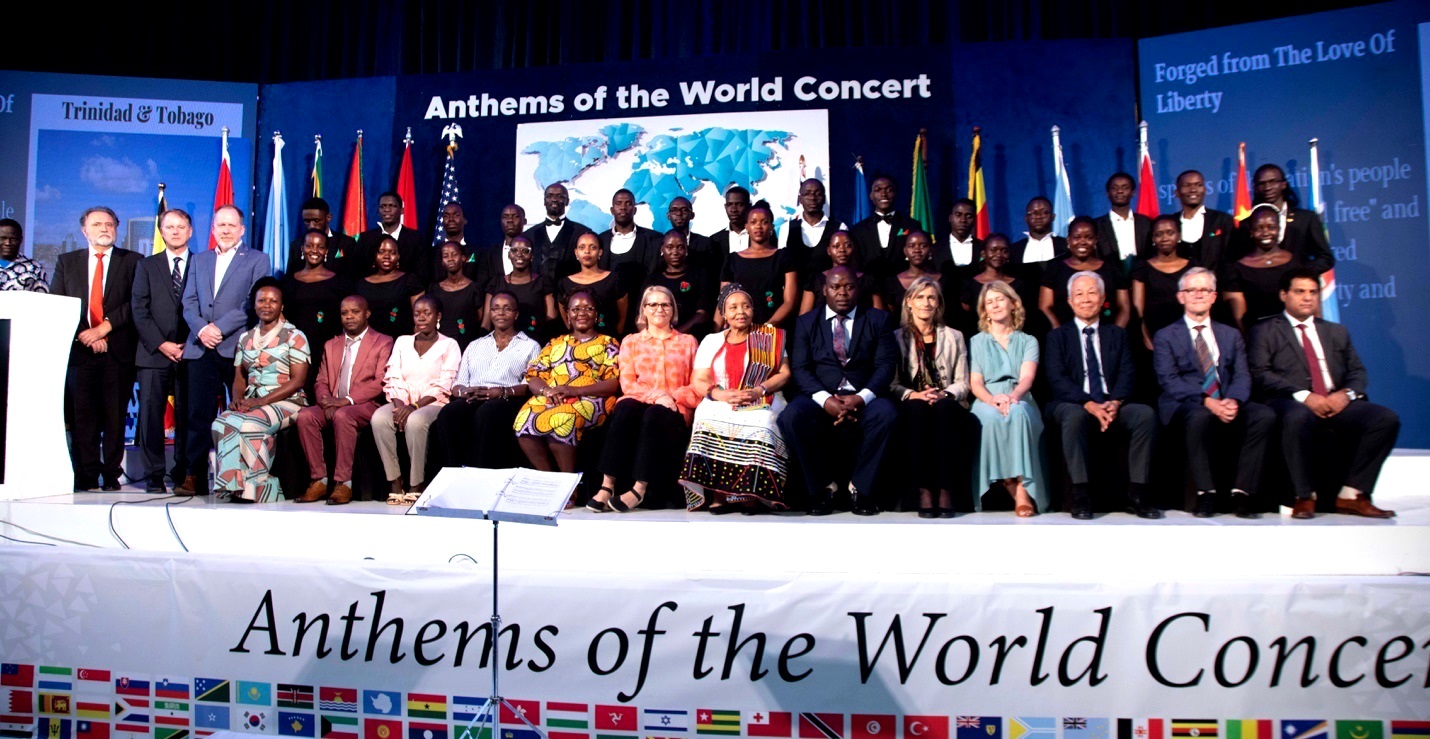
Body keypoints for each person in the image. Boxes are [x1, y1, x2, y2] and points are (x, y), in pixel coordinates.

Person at [1249, 268, 1399, 520]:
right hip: (1290, 400)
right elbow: (1261, 372)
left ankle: (1352, 494)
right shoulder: (1265, 330)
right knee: (1297, 418)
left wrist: (1346, 395)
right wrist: (1305, 396)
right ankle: (1304, 496)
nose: (1307, 298)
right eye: (1300, 292)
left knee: (1385, 419)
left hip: (1335, 400)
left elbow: (1358, 372)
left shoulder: (1336, 331)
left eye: (1312, 292)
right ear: (1284, 295)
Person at [1154, 267, 1274, 518]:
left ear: (1213, 296)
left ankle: (1241, 492)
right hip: (1185, 403)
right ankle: (1205, 493)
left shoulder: (1230, 335)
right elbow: (1169, 380)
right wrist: (1208, 402)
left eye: (1204, 290)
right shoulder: (1165, 335)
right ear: (1181, 297)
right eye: (1191, 290)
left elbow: (1242, 374)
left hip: (1226, 398)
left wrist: (1233, 400)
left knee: (1263, 415)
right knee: (1200, 416)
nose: (1198, 294)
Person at [779, 266, 899, 516]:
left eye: (849, 286)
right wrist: (826, 401)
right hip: (820, 396)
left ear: (858, 288)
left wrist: (861, 397)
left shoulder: (879, 319)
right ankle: (823, 488)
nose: (842, 292)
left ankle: (861, 488)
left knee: (887, 413)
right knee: (791, 416)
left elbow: (885, 366)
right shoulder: (806, 322)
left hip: (864, 395)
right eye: (835, 287)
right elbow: (800, 369)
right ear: (825, 290)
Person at [1043, 271, 1159, 519]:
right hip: (1072, 402)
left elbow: (1128, 372)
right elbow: (1057, 379)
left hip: (1111, 401)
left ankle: (1137, 492)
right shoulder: (1057, 337)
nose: (1086, 299)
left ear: (1103, 298)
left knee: (1144, 415)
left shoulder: (1117, 334)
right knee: (1073, 417)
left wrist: (1115, 403)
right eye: (1079, 294)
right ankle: (1081, 493)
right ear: (1070, 300)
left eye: (1092, 292)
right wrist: (1089, 404)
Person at [178, 205, 270, 495]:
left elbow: (251, 302)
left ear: (242, 229)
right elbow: (188, 301)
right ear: (213, 229)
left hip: (235, 348)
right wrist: (202, 329)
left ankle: (241, 479)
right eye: (221, 225)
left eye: (232, 225)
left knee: (240, 413)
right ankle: (193, 475)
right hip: (200, 347)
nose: (226, 230)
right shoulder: (200, 260)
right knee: (197, 414)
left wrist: (219, 328)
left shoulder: (258, 259)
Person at [680, 285, 793, 513]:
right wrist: (720, 394)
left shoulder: (769, 337)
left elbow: (785, 373)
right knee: (705, 416)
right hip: (721, 397)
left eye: (746, 306)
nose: (740, 311)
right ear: (723, 313)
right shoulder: (711, 341)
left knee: (761, 422)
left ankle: (751, 494)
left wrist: (759, 390)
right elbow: (699, 379)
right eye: (733, 307)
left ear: (753, 309)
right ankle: (719, 493)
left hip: (762, 397)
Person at [53, 206, 142, 491]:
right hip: (80, 353)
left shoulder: (133, 261)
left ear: (116, 228)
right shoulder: (67, 262)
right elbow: (59, 302)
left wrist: (104, 328)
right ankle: (87, 475)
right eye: (97, 224)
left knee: (115, 418)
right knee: (83, 417)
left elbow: (134, 303)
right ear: (84, 230)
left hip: (118, 352)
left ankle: (112, 475)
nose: (104, 228)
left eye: (109, 224)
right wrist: (87, 335)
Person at [591, 286, 700, 512]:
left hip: (674, 407)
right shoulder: (631, 341)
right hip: (640, 402)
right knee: (626, 408)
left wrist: (670, 396)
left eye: (665, 304)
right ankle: (607, 485)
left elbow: (697, 384)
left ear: (673, 309)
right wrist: (657, 395)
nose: (659, 309)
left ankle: (639, 489)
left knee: (655, 414)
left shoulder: (688, 342)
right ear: (644, 310)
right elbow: (628, 383)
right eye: (653, 304)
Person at [210, 282, 309, 503]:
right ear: (254, 305)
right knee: (221, 422)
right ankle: (234, 486)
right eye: (261, 300)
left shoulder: (295, 336)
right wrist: (237, 399)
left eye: (273, 301)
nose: (267, 305)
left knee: (249, 424)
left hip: (288, 401)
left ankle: (261, 488)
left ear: (282, 305)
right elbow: (239, 377)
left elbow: (298, 380)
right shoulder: (245, 338)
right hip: (253, 401)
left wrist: (262, 401)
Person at [294, 294, 395, 505]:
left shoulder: (383, 341)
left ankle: (343, 484)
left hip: (365, 405)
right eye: (344, 313)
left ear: (367, 314)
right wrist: (326, 401)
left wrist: (346, 401)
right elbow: (320, 380)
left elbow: (380, 382)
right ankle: (319, 480)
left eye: (355, 312)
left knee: (342, 416)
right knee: (304, 416)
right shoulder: (332, 344)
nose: (349, 317)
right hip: (332, 403)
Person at [890, 276, 974, 518]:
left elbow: (963, 382)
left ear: (938, 304)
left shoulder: (954, 336)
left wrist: (945, 393)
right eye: (920, 297)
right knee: (917, 411)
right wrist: (914, 394)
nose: (926, 303)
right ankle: (925, 489)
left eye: (931, 298)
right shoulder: (897, 337)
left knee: (944, 410)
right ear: (909, 303)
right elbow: (892, 384)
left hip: (946, 399)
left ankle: (946, 489)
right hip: (913, 401)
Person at [514, 291, 622, 479]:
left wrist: (574, 390)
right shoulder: (555, 343)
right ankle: (549, 480)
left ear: (596, 315)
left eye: (589, 309)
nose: (582, 313)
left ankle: (568, 483)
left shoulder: (608, 343)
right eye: (576, 309)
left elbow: (613, 383)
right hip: (553, 395)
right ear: (568, 315)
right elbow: (533, 376)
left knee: (561, 420)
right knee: (522, 421)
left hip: (591, 397)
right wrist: (547, 391)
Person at [428, 291, 540, 471]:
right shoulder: (476, 345)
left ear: (516, 314)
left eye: (507, 309)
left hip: (507, 400)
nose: (500, 313)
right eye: (495, 309)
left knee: (488, 413)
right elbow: (458, 384)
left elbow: (530, 385)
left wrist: (501, 392)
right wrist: (465, 392)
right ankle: (454, 474)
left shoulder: (530, 346)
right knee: (449, 413)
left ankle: (482, 474)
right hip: (474, 397)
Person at [372, 295, 460, 504]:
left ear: (437, 316)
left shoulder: (449, 345)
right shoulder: (403, 342)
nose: (421, 318)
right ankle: (394, 480)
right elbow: (394, 376)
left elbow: (445, 383)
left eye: (427, 313)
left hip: (433, 403)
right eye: (417, 313)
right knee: (378, 419)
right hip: (402, 401)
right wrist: (401, 405)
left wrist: (414, 406)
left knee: (416, 420)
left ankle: (416, 483)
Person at [968, 281, 1045, 516]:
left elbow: (1027, 379)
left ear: (1012, 304)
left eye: (1000, 299)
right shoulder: (976, 341)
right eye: (989, 302)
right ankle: (1009, 484)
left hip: (1018, 394)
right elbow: (975, 383)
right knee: (989, 418)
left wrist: (1012, 397)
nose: (995, 305)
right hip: (987, 397)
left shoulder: (1029, 341)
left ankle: (1021, 488)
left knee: (1019, 413)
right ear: (984, 310)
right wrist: (993, 401)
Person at [131, 208, 194, 493]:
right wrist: (162, 344)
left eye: (181, 227)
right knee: (151, 417)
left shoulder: (203, 264)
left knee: (188, 416)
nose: (175, 231)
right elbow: (139, 310)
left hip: (191, 353)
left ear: (190, 231)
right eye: (169, 227)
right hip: (154, 354)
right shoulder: (146, 266)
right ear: (162, 231)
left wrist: (188, 345)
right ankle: (154, 475)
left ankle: (184, 473)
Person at [1224, 204, 1325, 333]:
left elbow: (1312, 305)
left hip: (1297, 334)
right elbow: (1238, 318)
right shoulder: (1236, 269)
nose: (1266, 233)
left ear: (1279, 229)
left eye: (1271, 227)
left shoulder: (1298, 263)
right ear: (1251, 231)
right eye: (1259, 228)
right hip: (1259, 336)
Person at [280, 230, 353, 392]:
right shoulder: (288, 281)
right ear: (302, 249)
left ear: (326, 251)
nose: (314, 250)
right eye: (309, 245)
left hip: (326, 350)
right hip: (293, 350)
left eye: (320, 247)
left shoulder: (340, 282)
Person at [1039, 216, 1130, 330]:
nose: (1082, 242)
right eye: (1076, 237)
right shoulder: (1055, 268)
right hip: (1066, 336)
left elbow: (1124, 307)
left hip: (1107, 336)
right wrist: (1059, 334)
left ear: (1096, 240)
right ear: (1069, 240)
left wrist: (1115, 335)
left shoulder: (1111, 268)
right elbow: (1045, 306)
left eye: (1089, 237)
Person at [719, 202, 798, 327]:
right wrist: (716, 331)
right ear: (747, 227)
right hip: (739, 329)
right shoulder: (732, 260)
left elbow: (789, 301)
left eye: (764, 222)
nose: (758, 226)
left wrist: (768, 327)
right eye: (753, 222)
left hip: (773, 329)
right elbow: (724, 300)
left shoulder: (783, 256)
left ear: (771, 227)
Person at [1244, 163, 1336, 267]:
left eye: (1273, 181)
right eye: (1262, 183)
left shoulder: (1306, 219)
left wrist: (1302, 273)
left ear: (1284, 184)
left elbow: (1325, 258)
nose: (1267, 187)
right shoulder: (1247, 224)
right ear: (1255, 188)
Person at [600, 189, 664, 332]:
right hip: (608, 313)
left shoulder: (654, 239)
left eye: (628, 203)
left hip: (642, 314)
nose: (623, 207)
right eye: (619, 203)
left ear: (634, 210)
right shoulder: (600, 240)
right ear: (612, 209)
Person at [1131, 215, 1193, 350]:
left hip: (1189, 333)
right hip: (1155, 335)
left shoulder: (1193, 267)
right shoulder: (1142, 267)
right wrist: (1145, 337)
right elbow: (1138, 310)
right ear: (1153, 239)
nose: (1165, 238)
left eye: (1170, 233)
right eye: (1159, 234)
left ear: (1179, 236)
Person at [643, 230, 715, 337]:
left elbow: (702, 314)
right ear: (662, 250)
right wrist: (652, 337)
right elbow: (640, 317)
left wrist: (674, 335)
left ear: (686, 250)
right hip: (655, 340)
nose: (675, 252)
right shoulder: (653, 279)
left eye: (680, 247)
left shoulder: (700, 275)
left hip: (689, 337)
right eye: (670, 247)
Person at [483, 235, 555, 340]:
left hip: (537, 342)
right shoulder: (496, 283)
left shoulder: (543, 282)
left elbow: (551, 318)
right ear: (509, 255)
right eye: (514, 250)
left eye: (525, 251)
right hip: (502, 342)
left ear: (532, 256)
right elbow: (486, 321)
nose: (519, 254)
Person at [847, 176, 921, 278]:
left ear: (896, 193)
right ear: (871, 195)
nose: (883, 194)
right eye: (878, 190)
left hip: (903, 288)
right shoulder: (858, 230)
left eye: (889, 190)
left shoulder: (911, 225)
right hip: (869, 289)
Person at [777, 178, 848, 280]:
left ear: (824, 198)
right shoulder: (787, 228)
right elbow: (782, 265)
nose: (812, 198)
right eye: (807, 194)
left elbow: (845, 264)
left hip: (828, 290)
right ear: (800, 199)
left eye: (818, 194)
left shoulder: (839, 228)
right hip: (795, 291)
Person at [800, 230, 883, 315]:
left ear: (853, 248)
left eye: (847, 245)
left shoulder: (868, 280)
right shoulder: (815, 280)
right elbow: (804, 317)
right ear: (829, 251)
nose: (842, 250)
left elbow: (879, 316)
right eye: (836, 246)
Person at [558, 231, 626, 336]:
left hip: (608, 342)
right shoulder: (565, 283)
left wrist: (614, 336)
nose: (587, 251)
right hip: (576, 343)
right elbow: (565, 316)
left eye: (593, 247)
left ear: (600, 252)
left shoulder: (614, 279)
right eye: (582, 247)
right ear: (576, 252)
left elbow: (622, 316)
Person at [356, 236, 424, 337]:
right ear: (375, 255)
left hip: (401, 341)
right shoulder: (362, 284)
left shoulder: (410, 280)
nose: (387, 256)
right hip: (370, 343)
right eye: (381, 252)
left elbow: (420, 316)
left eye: (392, 252)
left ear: (398, 256)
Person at [526, 183, 593, 282]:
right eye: (550, 196)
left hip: (571, 292)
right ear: (544, 201)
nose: (554, 199)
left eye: (560, 196)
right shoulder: (529, 234)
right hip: (537, 294)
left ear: (567, 201)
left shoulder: (582, 232)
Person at [355, 192, 426, 279]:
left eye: (392, 206)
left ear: (402, 210)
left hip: (406, 290)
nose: (387, 209)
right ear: (378, 211)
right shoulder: (366, 238)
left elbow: (422, 273)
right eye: (382, 206)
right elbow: (356, 272)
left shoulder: (416, 238)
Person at [428, 241, 484, 350]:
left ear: (463, 258)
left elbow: (479, 318)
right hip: (439, 343)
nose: (450, 259)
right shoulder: (434, 289)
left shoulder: (474, 288)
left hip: (466, 343)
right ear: (442, 262)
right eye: (445, 256)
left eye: (454, 255)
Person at [1174, 170, 1235, 270]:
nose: (1193, 189)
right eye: (1187, 185)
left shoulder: (1222, 220)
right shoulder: (1171, 223)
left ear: (1205, 190)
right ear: (1177, 192)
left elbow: (1231, 258)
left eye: (1198, 185)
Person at [286, 197, 359, 278]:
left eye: (316, 221)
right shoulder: (296, 245)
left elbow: (355, 275)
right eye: (307, 221)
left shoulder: (346, 243)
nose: (311, 226)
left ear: (328, 218)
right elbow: (290, 277)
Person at [1093, 172, 1152, 271]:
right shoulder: (1096, 225)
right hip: (1109, 279)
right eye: (1115, 188)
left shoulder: (1146, 223)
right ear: (1107, 193)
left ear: (1133, 192)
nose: (1120, 191)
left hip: (1142, 277)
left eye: (1125, 187)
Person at [883, 229, 945, 322]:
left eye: (923, 246)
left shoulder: (944, 281)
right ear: (905, 251)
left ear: (930, 250)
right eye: (911, 246)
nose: (917, 250)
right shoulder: (892, 282)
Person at [470, 204, 528, 287]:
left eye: (515, 216)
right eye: (505, 217)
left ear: (524, 221)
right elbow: (483, 285)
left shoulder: (533, 251)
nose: (510, 220)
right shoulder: (489, 254)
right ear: (500, 221)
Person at [1009, 197, 1066, 266]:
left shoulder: (1065, 247)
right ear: (1026, 218)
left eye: (1044, 212)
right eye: (1033, 213)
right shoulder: (1014, 250)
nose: (1038, 216)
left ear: (1053, 217)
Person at [0, 219, 48, 292]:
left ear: (21, 240)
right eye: (3, 238)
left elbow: (43, 301)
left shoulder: (35, 269)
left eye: (13, 239)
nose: (8, 243)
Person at [666, 197, 714, 269]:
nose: (679, 213)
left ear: (692, 215)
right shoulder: (660, 244)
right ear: (668, 216)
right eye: (674, 210)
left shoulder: (706, 244)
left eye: (684, 210)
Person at [709, 186, 751, 256]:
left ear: (749, 206)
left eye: (739, 204)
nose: (733, 209)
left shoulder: (760, 236)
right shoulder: (715, 240)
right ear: (725, 207)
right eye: (729, 204)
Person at [946, 198, 982, 269]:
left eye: (968, 216)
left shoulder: (982, 248)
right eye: (958, 215)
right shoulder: (936, 249)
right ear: (950, 218)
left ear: (974, 220)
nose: (963, 220)